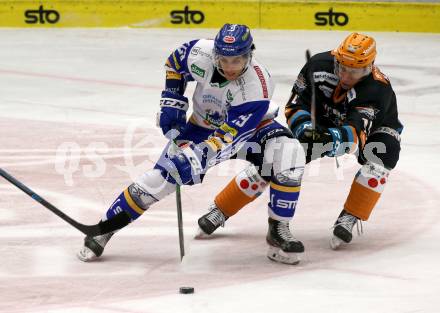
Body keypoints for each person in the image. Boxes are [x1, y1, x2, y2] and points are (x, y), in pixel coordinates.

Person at [77, 24, 306, 265]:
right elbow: (175, 63)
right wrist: (172, 102)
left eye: (237, 61)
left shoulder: (257, 86)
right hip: (201, 126)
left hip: (250, 130)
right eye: (223, 60)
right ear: (215, 54)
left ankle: (279, 229)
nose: (229, 67)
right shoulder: (200, 52)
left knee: (288, 153)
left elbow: (231, 136)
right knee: (159, 180)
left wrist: (196, 157)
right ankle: (105, 229)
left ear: (249, 55)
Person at [198, 32, 402, 250]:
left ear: (369, 67)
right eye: (342, 67)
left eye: (355, 71)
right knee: (277, 159)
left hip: (375, 131)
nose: (346, 76)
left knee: (383, 156)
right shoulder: (318, 65)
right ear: (336, 58)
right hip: (323, 120)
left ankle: (350, 216)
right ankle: (220, 209)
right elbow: (295, 105)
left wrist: (328, 138)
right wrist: (304, 128)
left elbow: (354, 134)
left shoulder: (377, 89)